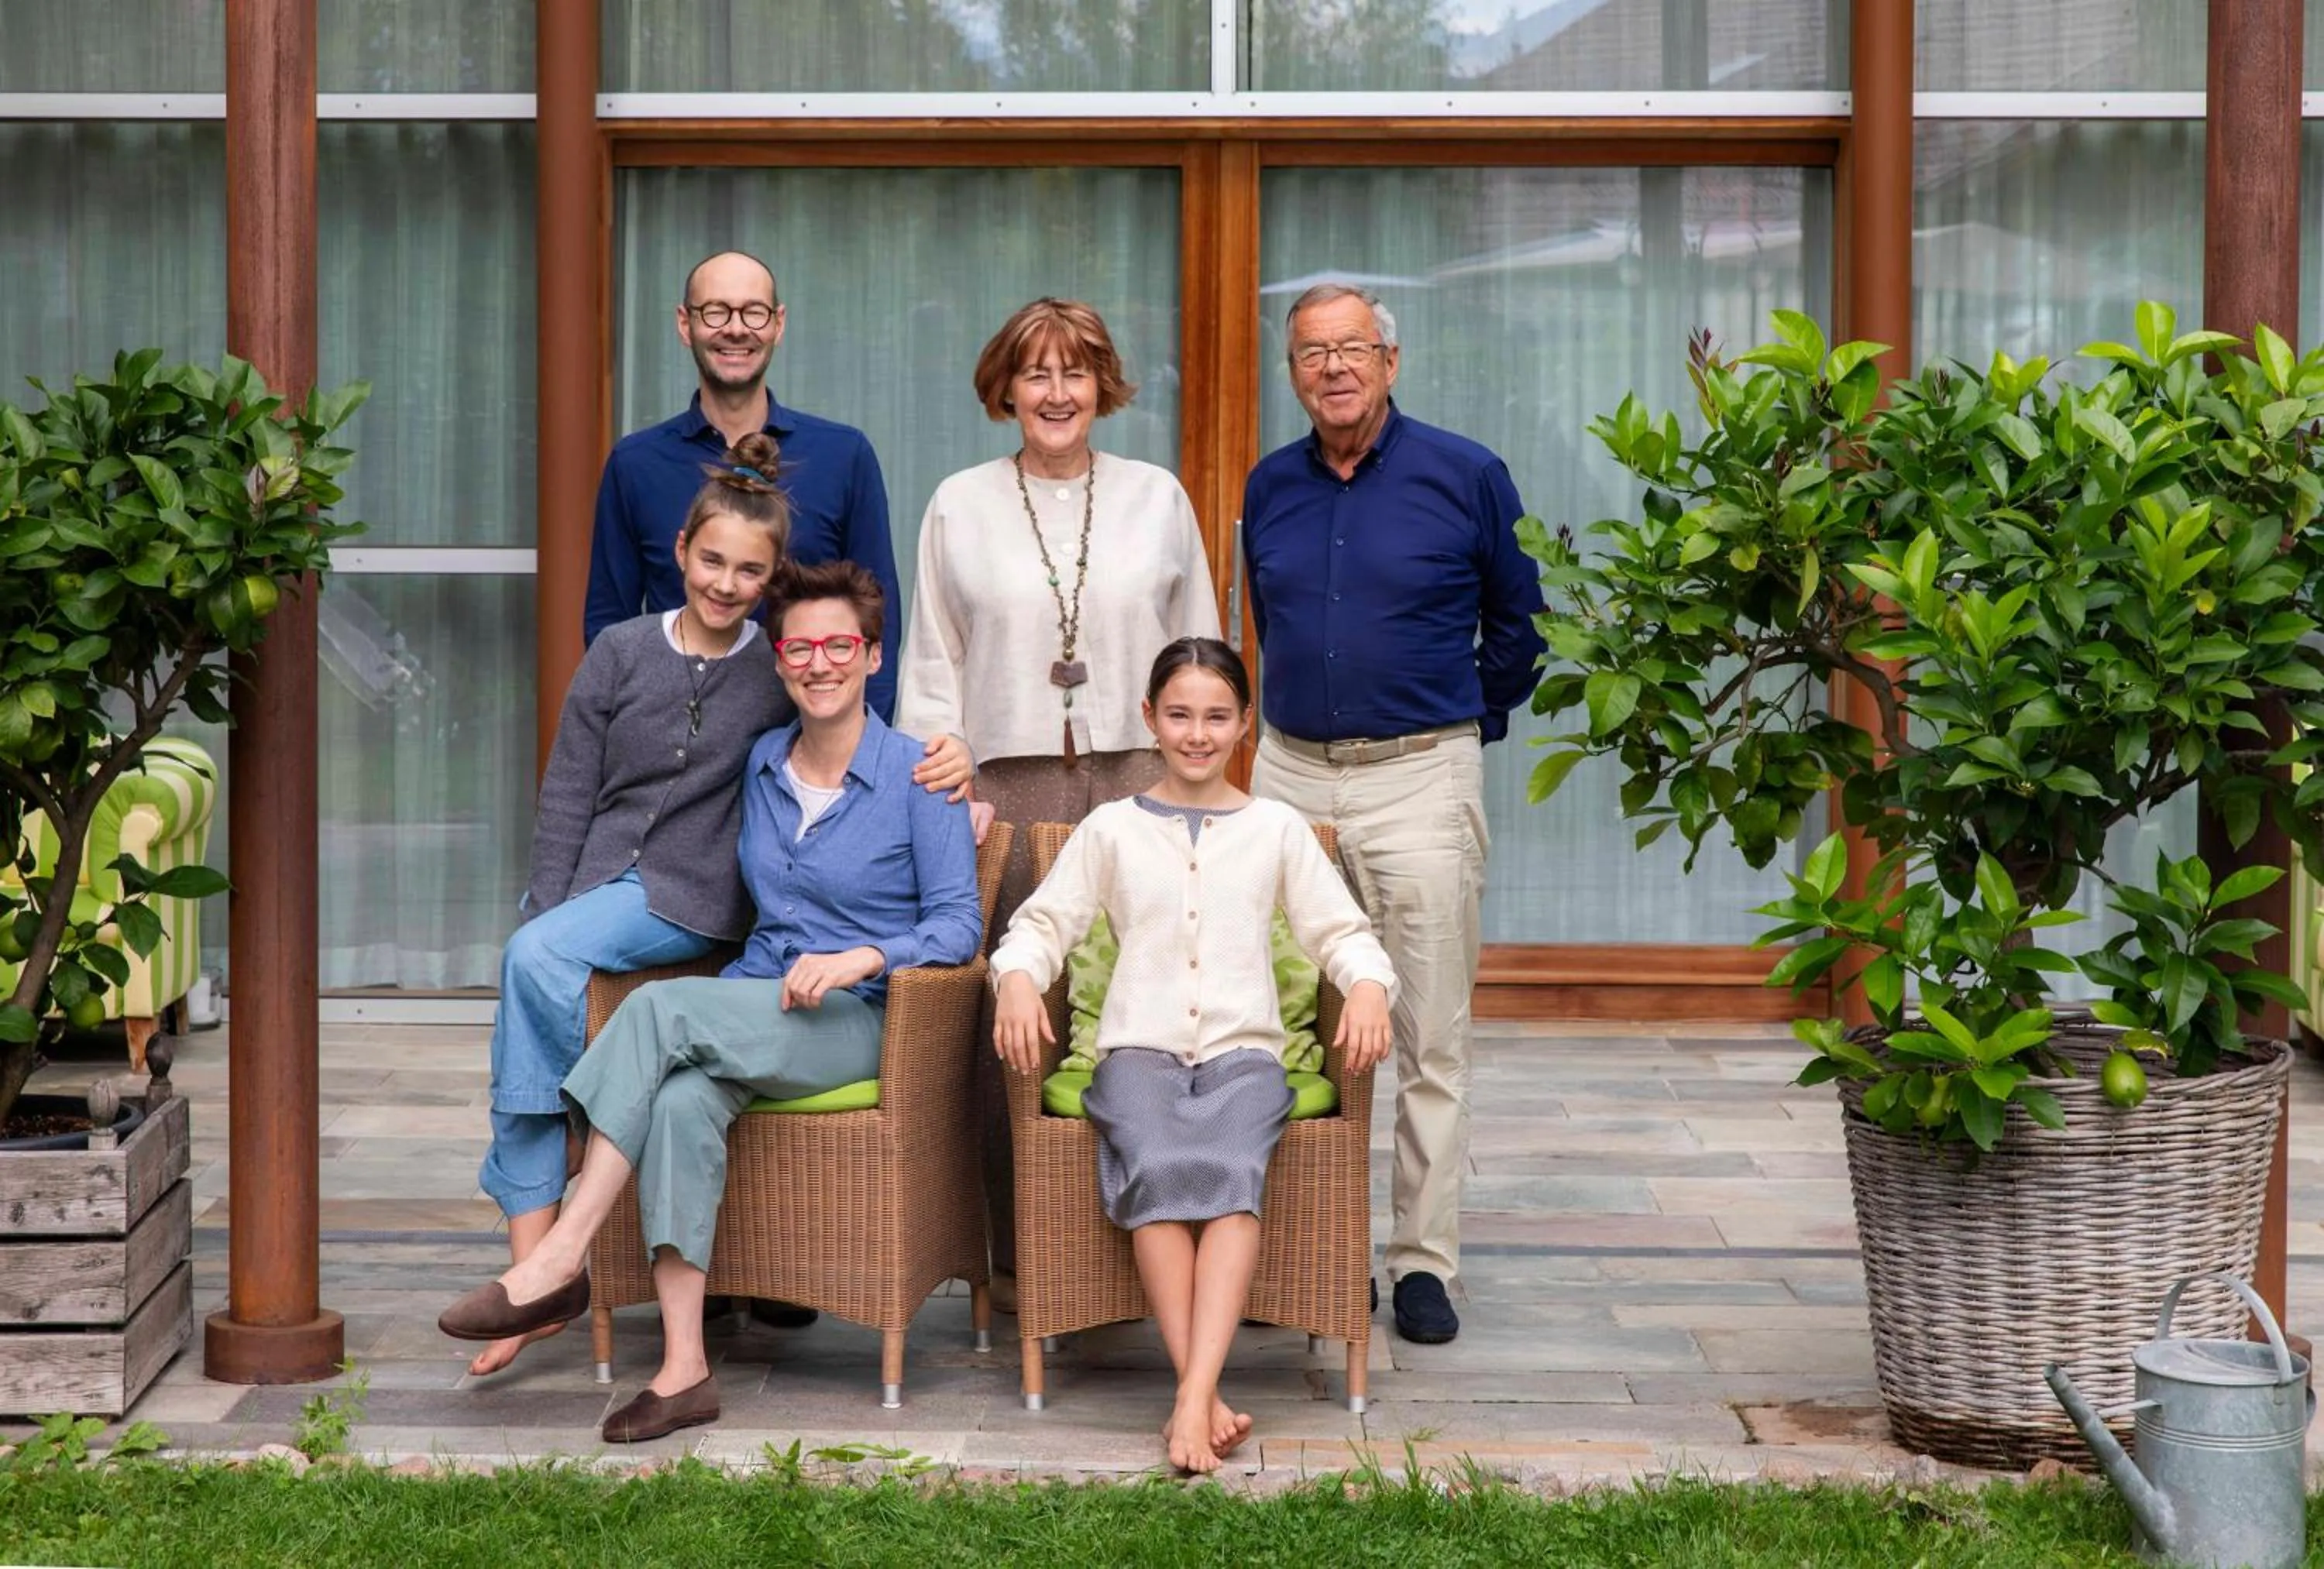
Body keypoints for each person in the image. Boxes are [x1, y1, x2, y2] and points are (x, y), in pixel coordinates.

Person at [439, 561, 981, 1443]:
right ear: (778, 662)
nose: (818, 662)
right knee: (684, 1098)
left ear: (874, 656)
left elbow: (960, 925)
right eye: (799, 646)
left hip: (865, 1020)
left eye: (839, 644)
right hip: (760, 1005)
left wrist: (860, 957)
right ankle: (686, 1367)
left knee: (656, 1013)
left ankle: (561, 1255)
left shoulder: (922, 774)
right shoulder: (765, 760)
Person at [989, 637, 1396, 1474]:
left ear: (1244, 724)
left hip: (1246, 1057)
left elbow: (1343, 933)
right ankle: (1200, 1397)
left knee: (1230, 1175)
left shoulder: (1279, 830)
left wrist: (1365, 986)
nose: (1197, 733)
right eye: (1179, 714)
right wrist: (1020, 980)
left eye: (1217, 716)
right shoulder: (1109, 831)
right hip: (1136, 1053)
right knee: (1157, 1171)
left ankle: (1188, 1397)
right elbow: (1039, 926)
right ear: (1150, 719)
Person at [896, 297, 1219, 1306]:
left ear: (1103, 385)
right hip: (1006, 792)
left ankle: (1148, 1245)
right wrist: (946, 774)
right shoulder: (958, 499)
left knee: (1147, 1012)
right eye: (1035, 373)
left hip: (1139, 780)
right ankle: (1016, 1259)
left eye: (1074, 372)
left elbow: (1198, 639)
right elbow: (930, 655)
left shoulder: (1157, 496)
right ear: (1005, 387)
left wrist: (1198, 775)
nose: (1055, 391)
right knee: (1013, 1024)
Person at [1240, 283, 1546, 1348]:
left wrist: (1466, 723)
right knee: (1279, 1022)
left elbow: (1520, 623)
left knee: (1427, 1033)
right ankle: (1298, 1247)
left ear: (1390, 360)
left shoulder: (1465, 475)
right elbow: (1263, 619)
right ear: (1295, 374)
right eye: (1312, 353)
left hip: (1420, 775)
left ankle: (1421, 1261)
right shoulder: (1269, 485)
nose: (1333, 368)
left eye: (1352, 349)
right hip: (1288, 779)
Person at [468, 434, 792, 1378]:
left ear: (769, 580)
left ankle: (535, 1272)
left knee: (532, 966)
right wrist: (553, 908)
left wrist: (943, 764)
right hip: (600, 884)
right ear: (682, 548)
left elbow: (849, 734)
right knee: (532, 963)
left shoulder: (776, 673)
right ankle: (537, 1270)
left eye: (750, 571)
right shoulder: (617, 651)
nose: (727, 583)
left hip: (692, 897)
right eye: (713, 560)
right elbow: (569, 791)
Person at [586, 249, 902, 721]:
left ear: (778, 324)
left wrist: (862, 744)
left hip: (810, 746)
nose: (736, 328)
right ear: (684, 323)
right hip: (680, 745)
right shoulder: (636, 464)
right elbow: (608, 622)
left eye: (753, 312)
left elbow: (879, 615)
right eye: (715, 311)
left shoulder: (843, 456)